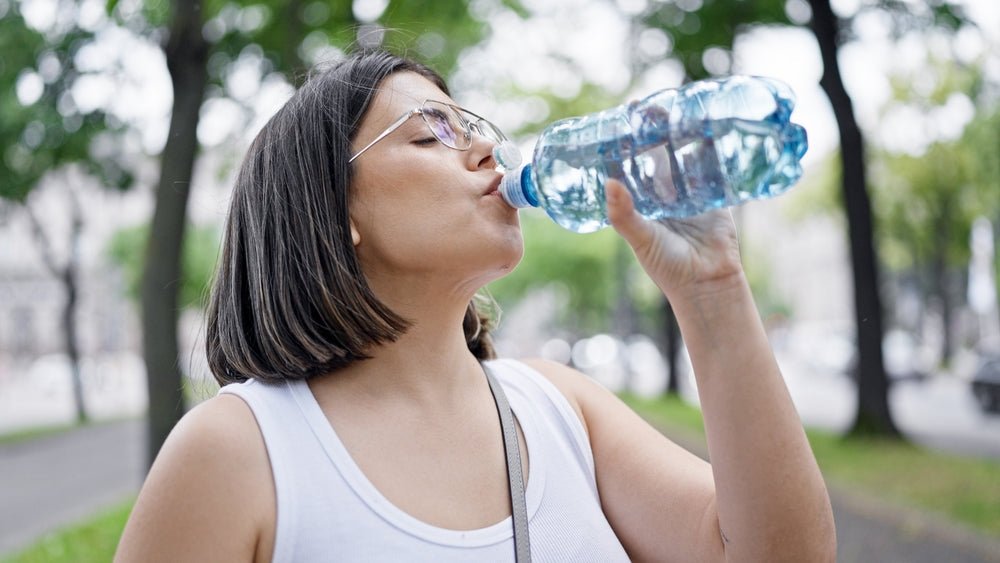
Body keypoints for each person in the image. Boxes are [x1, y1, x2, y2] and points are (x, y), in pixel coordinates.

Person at [115, 49, 836, 562]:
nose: (490, 148)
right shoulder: (238, 453)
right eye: (433, 133)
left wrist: (713, 291)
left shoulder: (558, 407)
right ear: (335, 213)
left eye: (480, 127)